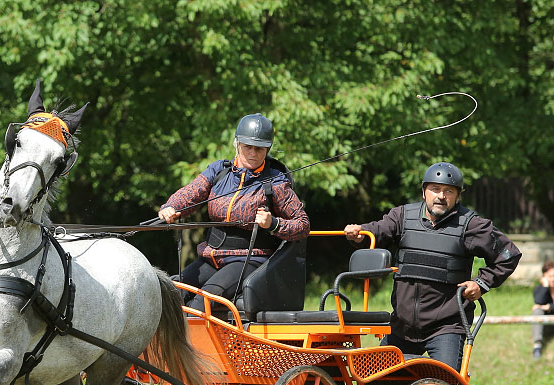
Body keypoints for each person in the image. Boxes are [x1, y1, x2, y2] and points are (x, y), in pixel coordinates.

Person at [344, 162, 521, 371]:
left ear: (458, 196)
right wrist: (358, 232)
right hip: (401, 326)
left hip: (446, 326)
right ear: (424, 192)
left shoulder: (472, 225)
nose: (441, 196)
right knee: (373, 382)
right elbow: (376, 232)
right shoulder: (402, 216)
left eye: (448, 191)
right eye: (435, 189)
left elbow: (508, 255)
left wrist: (481, 284)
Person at [158, 113, 309, 310]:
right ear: (237, 144)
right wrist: (171, 207)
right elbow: (191, 193)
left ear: (268, 149)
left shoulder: (276, 182)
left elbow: (302, 225)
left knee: (199, 304)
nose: (253, 154)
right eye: (248, 147)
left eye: (260, 149)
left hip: (248, 260)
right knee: (170, 295)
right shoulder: (219, 171)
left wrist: (273, 224)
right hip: (211, 258)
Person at [532, 260, 554, 359]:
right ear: (544, 277)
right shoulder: (540, 289)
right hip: (547, 325)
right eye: (550, 276)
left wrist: (548, 307)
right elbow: (538, 301)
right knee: (537, 311)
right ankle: (537, 346)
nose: (553, 279)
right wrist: (545, 286)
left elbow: (543, 305)